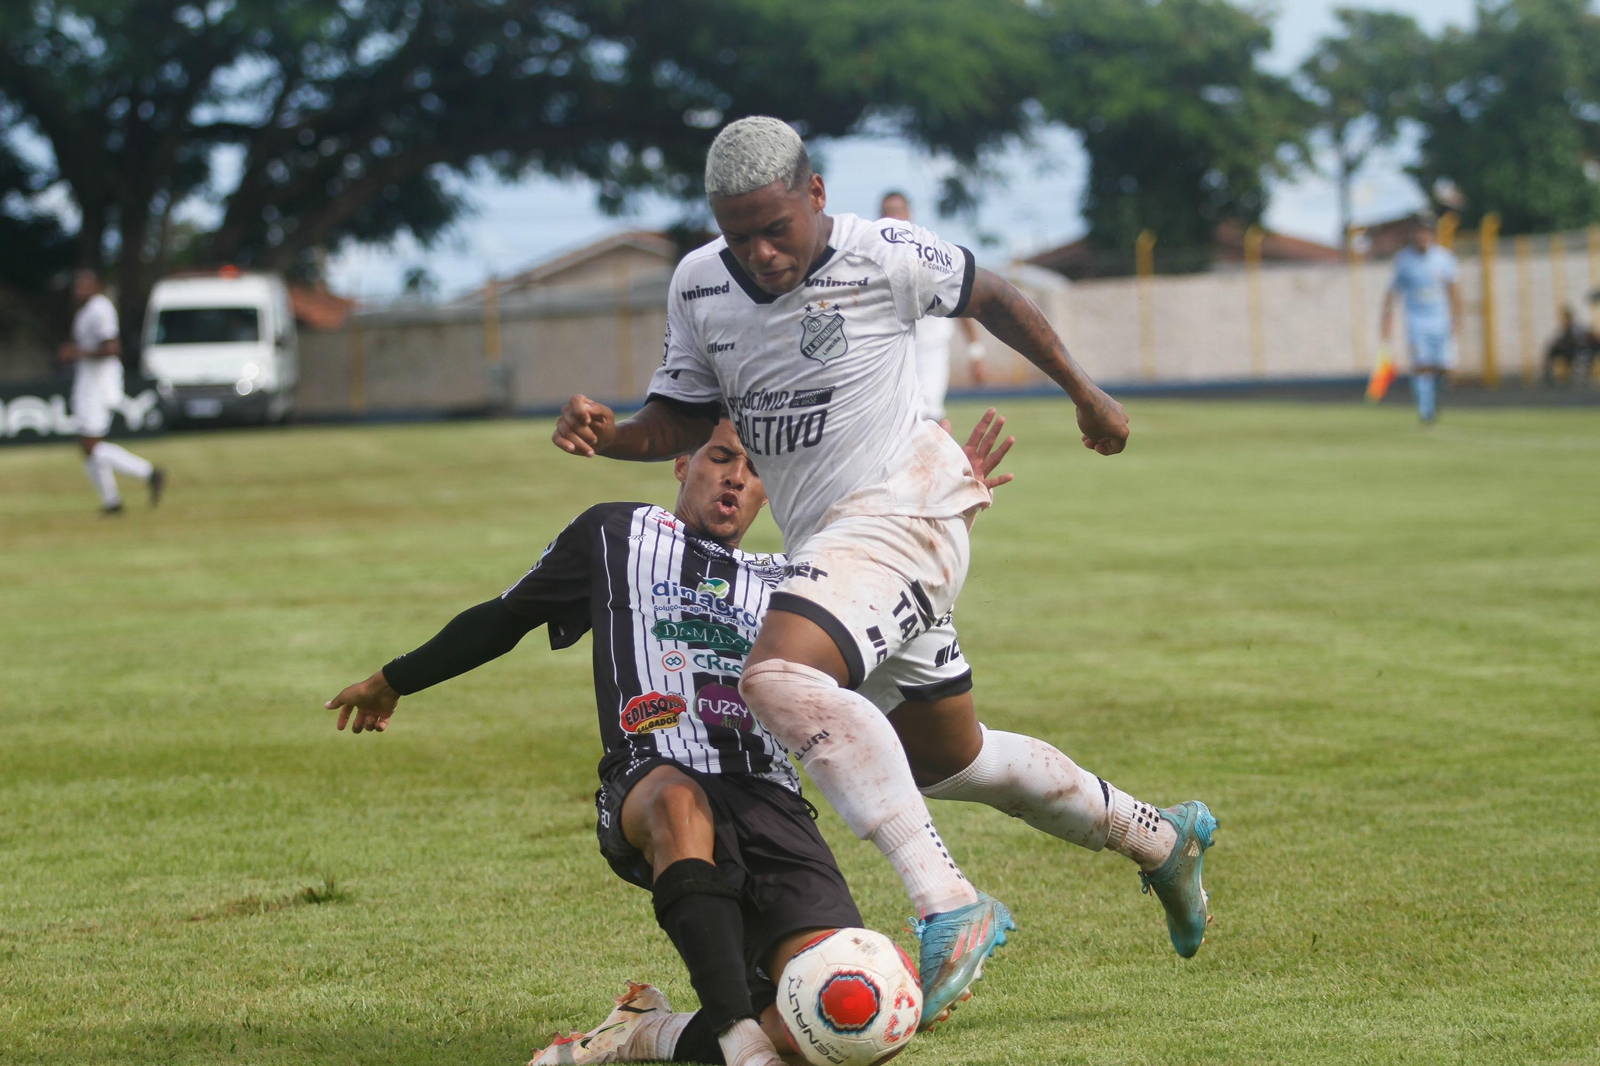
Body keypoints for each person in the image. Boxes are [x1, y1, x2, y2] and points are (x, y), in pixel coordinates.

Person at [550, 116, 1218, 1028]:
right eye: (738, 232)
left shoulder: (886, 254)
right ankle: (1161, 836)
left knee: (779, 676)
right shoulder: (700, 283)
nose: (760, 252)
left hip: (907, 512)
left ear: (816, 194)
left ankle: (950, 905)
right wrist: (614, 434)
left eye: (775, 227)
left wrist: (1084, 392)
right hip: (835, 547)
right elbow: (678, 415)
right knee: (954, 760)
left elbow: (994, 295)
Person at [325, 414, 1012, 1066]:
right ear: (684, 463)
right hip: (651, 777)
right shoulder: (615, 533)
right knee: (680, 804)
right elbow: (505, 619)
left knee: (839, 1017)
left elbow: (893, 594)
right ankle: (739, 1037)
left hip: (771, 801)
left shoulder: (797, 582)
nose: (735, 478)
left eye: (753, 468)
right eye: (719, 458)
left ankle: (643, 1034)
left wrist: (935, 519)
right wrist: (394, 680)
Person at [59, 269, 166, 514]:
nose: (79, 291)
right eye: (77, 286)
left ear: (97, 286)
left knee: (91, 445)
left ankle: (148, 473)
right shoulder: (87, 311)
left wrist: (77, 353)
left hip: (99, 383)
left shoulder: (100, 309)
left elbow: (112, 348)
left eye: (84, 285)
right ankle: (112, 502)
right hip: (88, 381)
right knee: (88, 445)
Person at [878, 191, 987, 419]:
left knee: (929, 413)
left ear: (909, 214)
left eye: (897, 212)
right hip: (891, 350)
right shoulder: (872, 261)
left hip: (929, 349)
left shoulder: (929, 256)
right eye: (887, 212)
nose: (893, 218)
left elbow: (960, 302)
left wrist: (975, 353)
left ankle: (940, 455)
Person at [1380, 213, 1461, 424]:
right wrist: (1387, 320)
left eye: (1426, 233)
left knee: (1444, 367)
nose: (1422, 237)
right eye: (1419, 233)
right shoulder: (1404, 260)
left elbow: (1453, 290)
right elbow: (1393, 292)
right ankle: (1426, 411)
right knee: (1421, 364)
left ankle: (1434, 396)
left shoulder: (1444, 259)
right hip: (1417, 321)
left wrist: (1457, 318)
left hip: (1440, 320)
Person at [1543, 305, 1594, 387]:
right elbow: (1557, 341)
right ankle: (1549, 378)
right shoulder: (1562, 329)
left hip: (1573, 350)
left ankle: (1569, 377)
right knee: (1550, 353)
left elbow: (1580, 340)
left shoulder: (1576, 328)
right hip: (1564, 350)